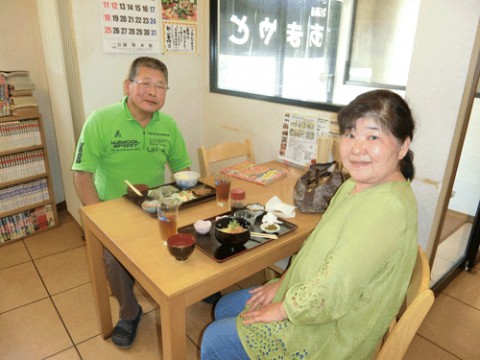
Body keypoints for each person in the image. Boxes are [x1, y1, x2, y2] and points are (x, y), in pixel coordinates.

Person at [200, 89, 419, 359]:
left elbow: (333, 292)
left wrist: (282, 309)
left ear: (403, 146)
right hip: (315, 296)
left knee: (215, 338)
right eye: (350, 135)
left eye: (373, 136)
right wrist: (283, 283)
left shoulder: (386, 209)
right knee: (224, 306)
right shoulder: (356, 184)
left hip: (331, 333)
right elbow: (316, 249)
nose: (357, 148)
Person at [72, 57, 192, 348]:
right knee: (113, 258)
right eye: (145, 83)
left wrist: (185, 198)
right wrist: (100, 217)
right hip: (112, 209)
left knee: (192, 233)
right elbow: (82, 175)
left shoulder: (168, 125)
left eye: (160, 86)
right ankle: (129, 311)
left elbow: (182, 170)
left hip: (155, 206)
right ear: (128, 86)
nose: (153, 92)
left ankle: (190, 289)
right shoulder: (101, 119)